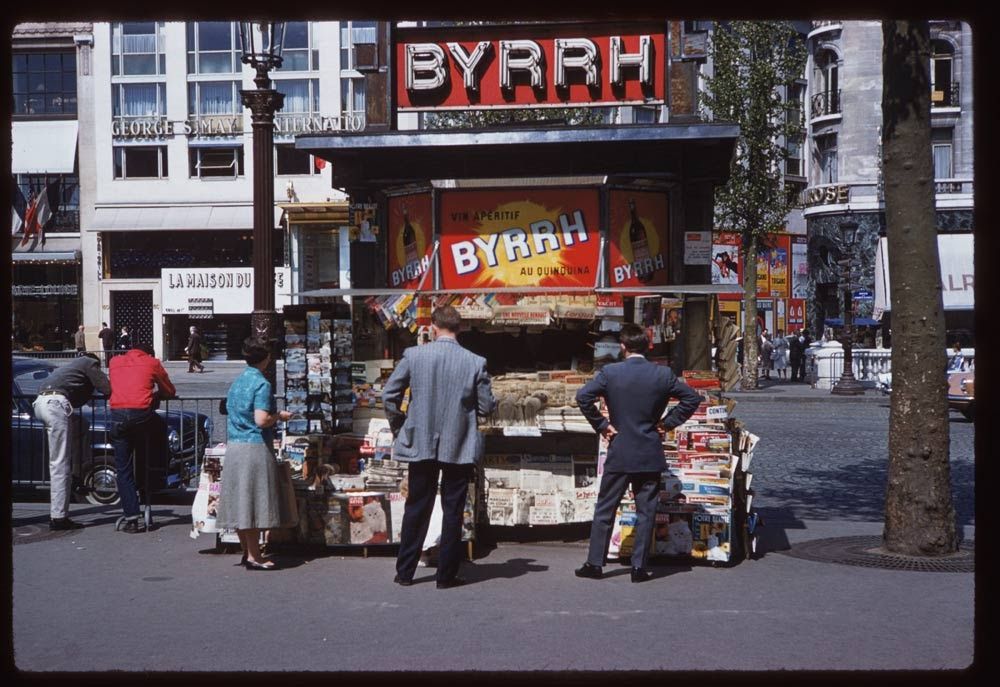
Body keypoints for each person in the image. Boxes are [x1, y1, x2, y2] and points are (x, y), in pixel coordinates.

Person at [574, 324, 702, 583]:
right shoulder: (662, 374)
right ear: (648, 346)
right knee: (646, 511)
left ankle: (595, 563)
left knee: (605, 509)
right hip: (648, 452)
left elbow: (583, 397)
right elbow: (692, 398)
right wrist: (666, 423)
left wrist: (602, 425)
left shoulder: (610, 372)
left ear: (623, 346)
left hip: (620, 451)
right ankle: (639, 567)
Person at [382, 305, 495, 589]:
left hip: (420, 440)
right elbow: (485, 406)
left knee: (417, 506)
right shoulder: (475, 362)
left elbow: (389, 395)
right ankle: (446, 575)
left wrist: (401, 426)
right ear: (460, 328)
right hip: (458, 443)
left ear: (433, 327)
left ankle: (405, 571)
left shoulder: (414, 355)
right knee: (453, 509)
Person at [215, 339, 292, 570]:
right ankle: (255, 556)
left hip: (235, 447)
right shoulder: (262, 383)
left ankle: (246, 551)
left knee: (240, 502)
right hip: (254, 447)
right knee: (254, 503)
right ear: (266, 358)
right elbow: (261, 419)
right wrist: (279, 416)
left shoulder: (237, 382)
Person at [32, 353, 111, 530]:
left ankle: (77, 472)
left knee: (79, 425)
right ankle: (59, 517)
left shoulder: (70, 368)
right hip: (55, 404)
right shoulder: (89, 362)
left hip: (41, 403)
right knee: (59, 463)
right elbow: (106, 388)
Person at [109, 342, 175, 533]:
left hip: (118, 416)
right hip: (141, 416)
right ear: (149, 353)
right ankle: (155, 475)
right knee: (156, 435)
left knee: (123, 468)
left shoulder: (114, 361)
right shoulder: (152, 363)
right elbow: (169, 390)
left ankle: (131, 517)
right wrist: (155, 396)